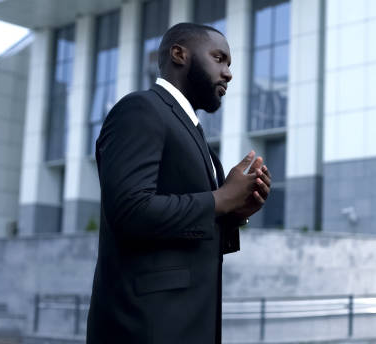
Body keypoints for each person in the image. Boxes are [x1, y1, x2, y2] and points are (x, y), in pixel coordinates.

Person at [86, 23, 272, 344]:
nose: (228, 73)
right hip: (145, 327)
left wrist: (236, 210)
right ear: (179, 54)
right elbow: (131, 210)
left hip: (188, 325)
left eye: (229, 64)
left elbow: (189, 233)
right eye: (219, 58)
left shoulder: (195, 133)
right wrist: (221, 199)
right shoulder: (140, 109)